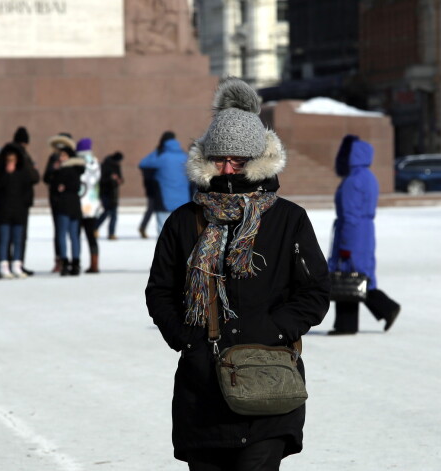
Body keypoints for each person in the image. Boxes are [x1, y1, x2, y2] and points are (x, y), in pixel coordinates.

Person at [145, 77, 331, 470]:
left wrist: (274, 330)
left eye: (239, 160)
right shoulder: (185, 221)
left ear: (258, 162)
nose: (228, 169)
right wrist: (186, 338)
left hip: (268, 383)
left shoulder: (288, 219)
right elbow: (159, 290)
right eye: (220, 159)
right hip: (203, 391)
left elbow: (314, 290)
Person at [327, 135, 401, 335]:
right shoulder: (368, 177)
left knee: (347, 273)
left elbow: (350, 215)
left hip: (353, 231)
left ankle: (354, 321)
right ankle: (353, 321)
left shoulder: (352, 181)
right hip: (365, 231)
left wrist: (344, 245)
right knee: (358, 274)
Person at [0, 144, 33, 279]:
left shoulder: (23, 172)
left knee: (18, 239)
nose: (11, 163)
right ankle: (4, 266)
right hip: (4, 211)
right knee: (4, 239)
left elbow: (32, 181)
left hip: (18, 211)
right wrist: (7, 174)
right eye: (9, 160)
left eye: (13, 160)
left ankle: (17, 265)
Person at [139, 130, 192, 233]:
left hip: (164, 200)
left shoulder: (161, 157)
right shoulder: (185, 157)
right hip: (183, 201)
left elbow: (143, 163)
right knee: (180, 231)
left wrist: (156, 151)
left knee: (163, 231)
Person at [47, 144, 85, 276]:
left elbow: (54, 186)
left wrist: (60, 183)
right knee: (74, 236)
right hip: (74, 206)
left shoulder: (62, 170)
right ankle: (75, 263)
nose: (61, 158)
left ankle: (65, 262)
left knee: (63, 234)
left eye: (63, 155)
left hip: (64, 205)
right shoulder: (77, 170)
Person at [7, 127, 40, 276]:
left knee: (7, 235)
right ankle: (18, 263)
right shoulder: (24, 157)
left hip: (7, 201)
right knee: (20, 235)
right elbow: (34, 177)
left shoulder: (6, 154)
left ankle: (7, 263)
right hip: (21, 202)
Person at [44, 133, 76, 272]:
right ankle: (60, 259)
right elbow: (46, 178)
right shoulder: (53, 158)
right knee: (59, 231)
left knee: (73, 233)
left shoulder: (75, 159)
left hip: (71, 200)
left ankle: (74, 261)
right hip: (57, 199)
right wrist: (54, 169)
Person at [138, 131, 174, 238]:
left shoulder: (159, 152)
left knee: (152, 209)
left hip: (156, 187)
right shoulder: (161, 153)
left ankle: (144, 227)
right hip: (157, 188)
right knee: (154, 209)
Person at [76, 138, 102, 273]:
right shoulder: (95, 161)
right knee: (91, 236)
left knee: (76, 236)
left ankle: (76, 262)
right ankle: (94, 263)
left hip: (79, 204)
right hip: (93, 205)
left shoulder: (78, 161)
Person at [96, 151, 124, 240]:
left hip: (114, 194)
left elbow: (121, 179)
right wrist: (110, 178)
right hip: (105, 193)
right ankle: (94, 227)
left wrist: (119, 180)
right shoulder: (105, 166)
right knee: (106, 212)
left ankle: (111, 233)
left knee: (114, 215)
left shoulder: (117, 166)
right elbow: (101, 180)